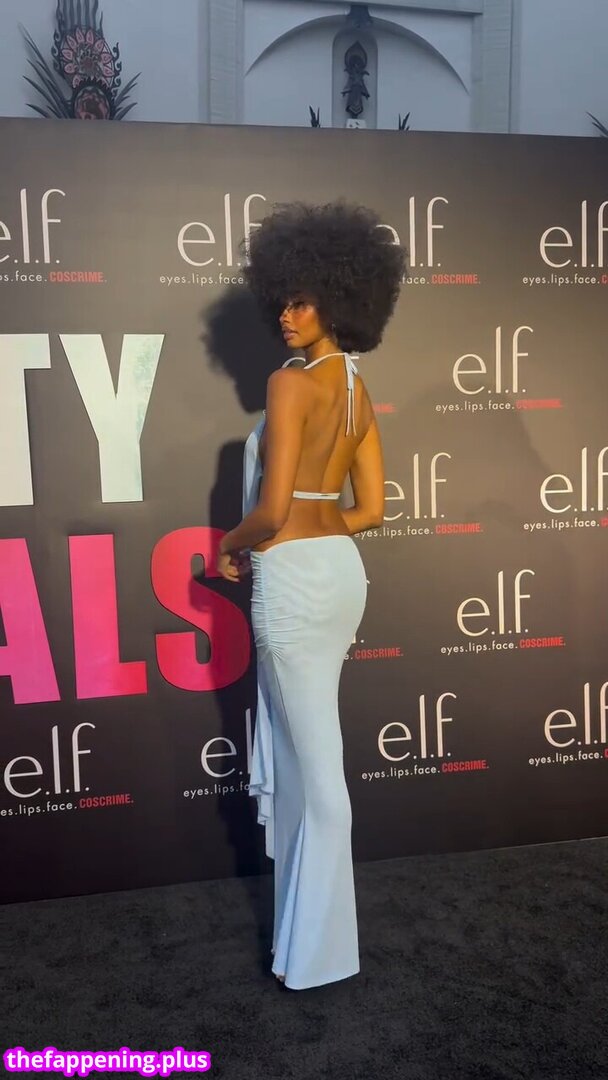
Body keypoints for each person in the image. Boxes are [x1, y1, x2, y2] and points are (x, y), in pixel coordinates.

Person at [216, 201, 405, 990]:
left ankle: (323, 954)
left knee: (318, 769)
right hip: (340, 572)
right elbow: (372, 509)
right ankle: (307, 940)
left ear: (338, 297)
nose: (287, 316)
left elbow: (270, 510)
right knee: (308, 755)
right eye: (282, 302)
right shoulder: (358, 389)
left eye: (302, 301)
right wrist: (316, 526)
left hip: (295, 580)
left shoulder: (290, 385)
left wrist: (228, 545)